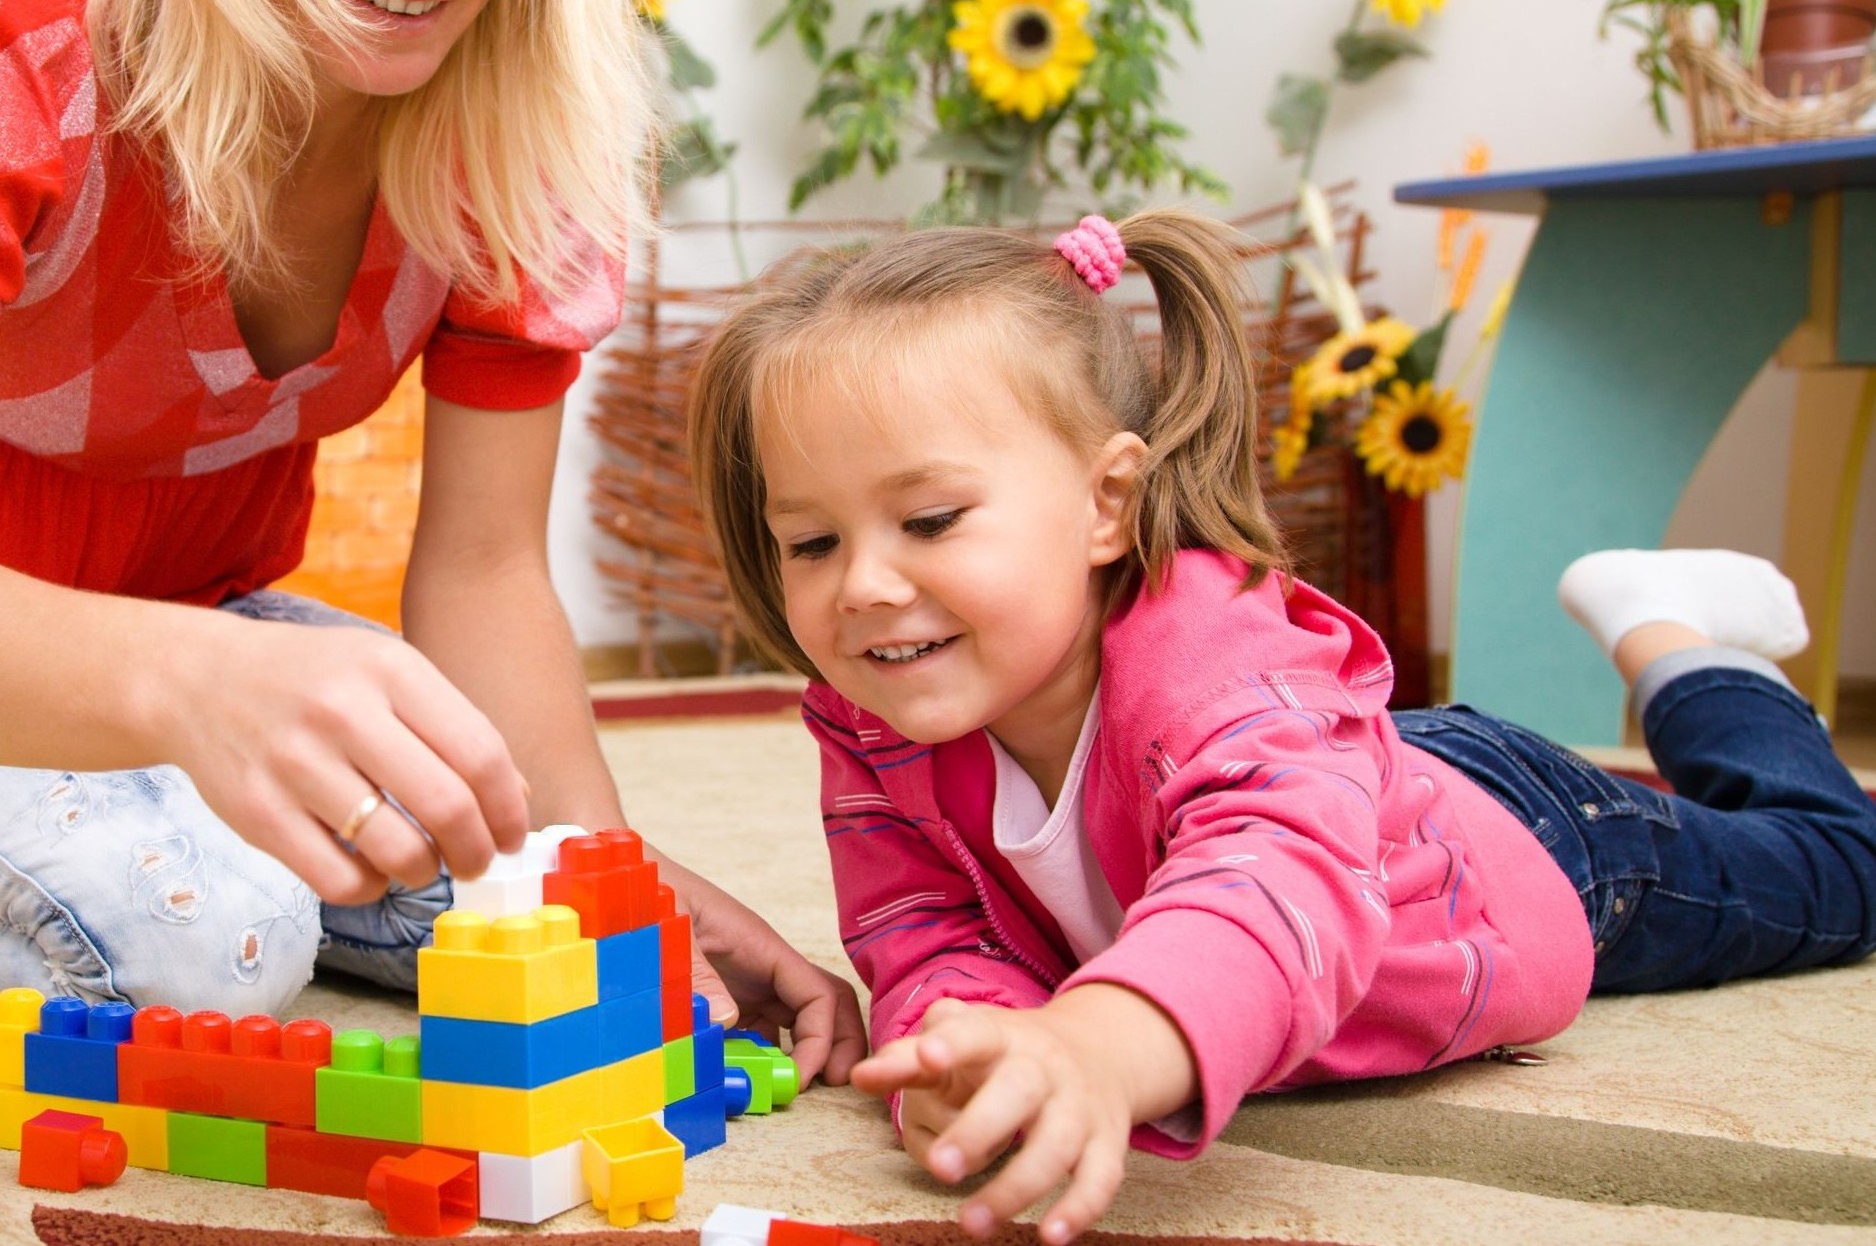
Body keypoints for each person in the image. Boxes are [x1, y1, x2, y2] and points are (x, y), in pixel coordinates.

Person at [0, 0, 862, 1084]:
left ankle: (52, 831)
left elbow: (488, 570)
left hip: (208, 633)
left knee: (521, 913)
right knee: (219, 944)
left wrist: (610, 883)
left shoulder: (527, 132)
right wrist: (201, 682)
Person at [685, 212, 1876, 1240]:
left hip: (1528, 846)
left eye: (932, 520)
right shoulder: (874, 719)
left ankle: (1677, 642)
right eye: (814, 541)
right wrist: (969, 1045)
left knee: (1841, 866)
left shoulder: (1215, 655)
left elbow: (1273, 883)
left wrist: (1104, 1041)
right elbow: (917, 923)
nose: (866, 588)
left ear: (1108, 502)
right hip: (1351, 758)